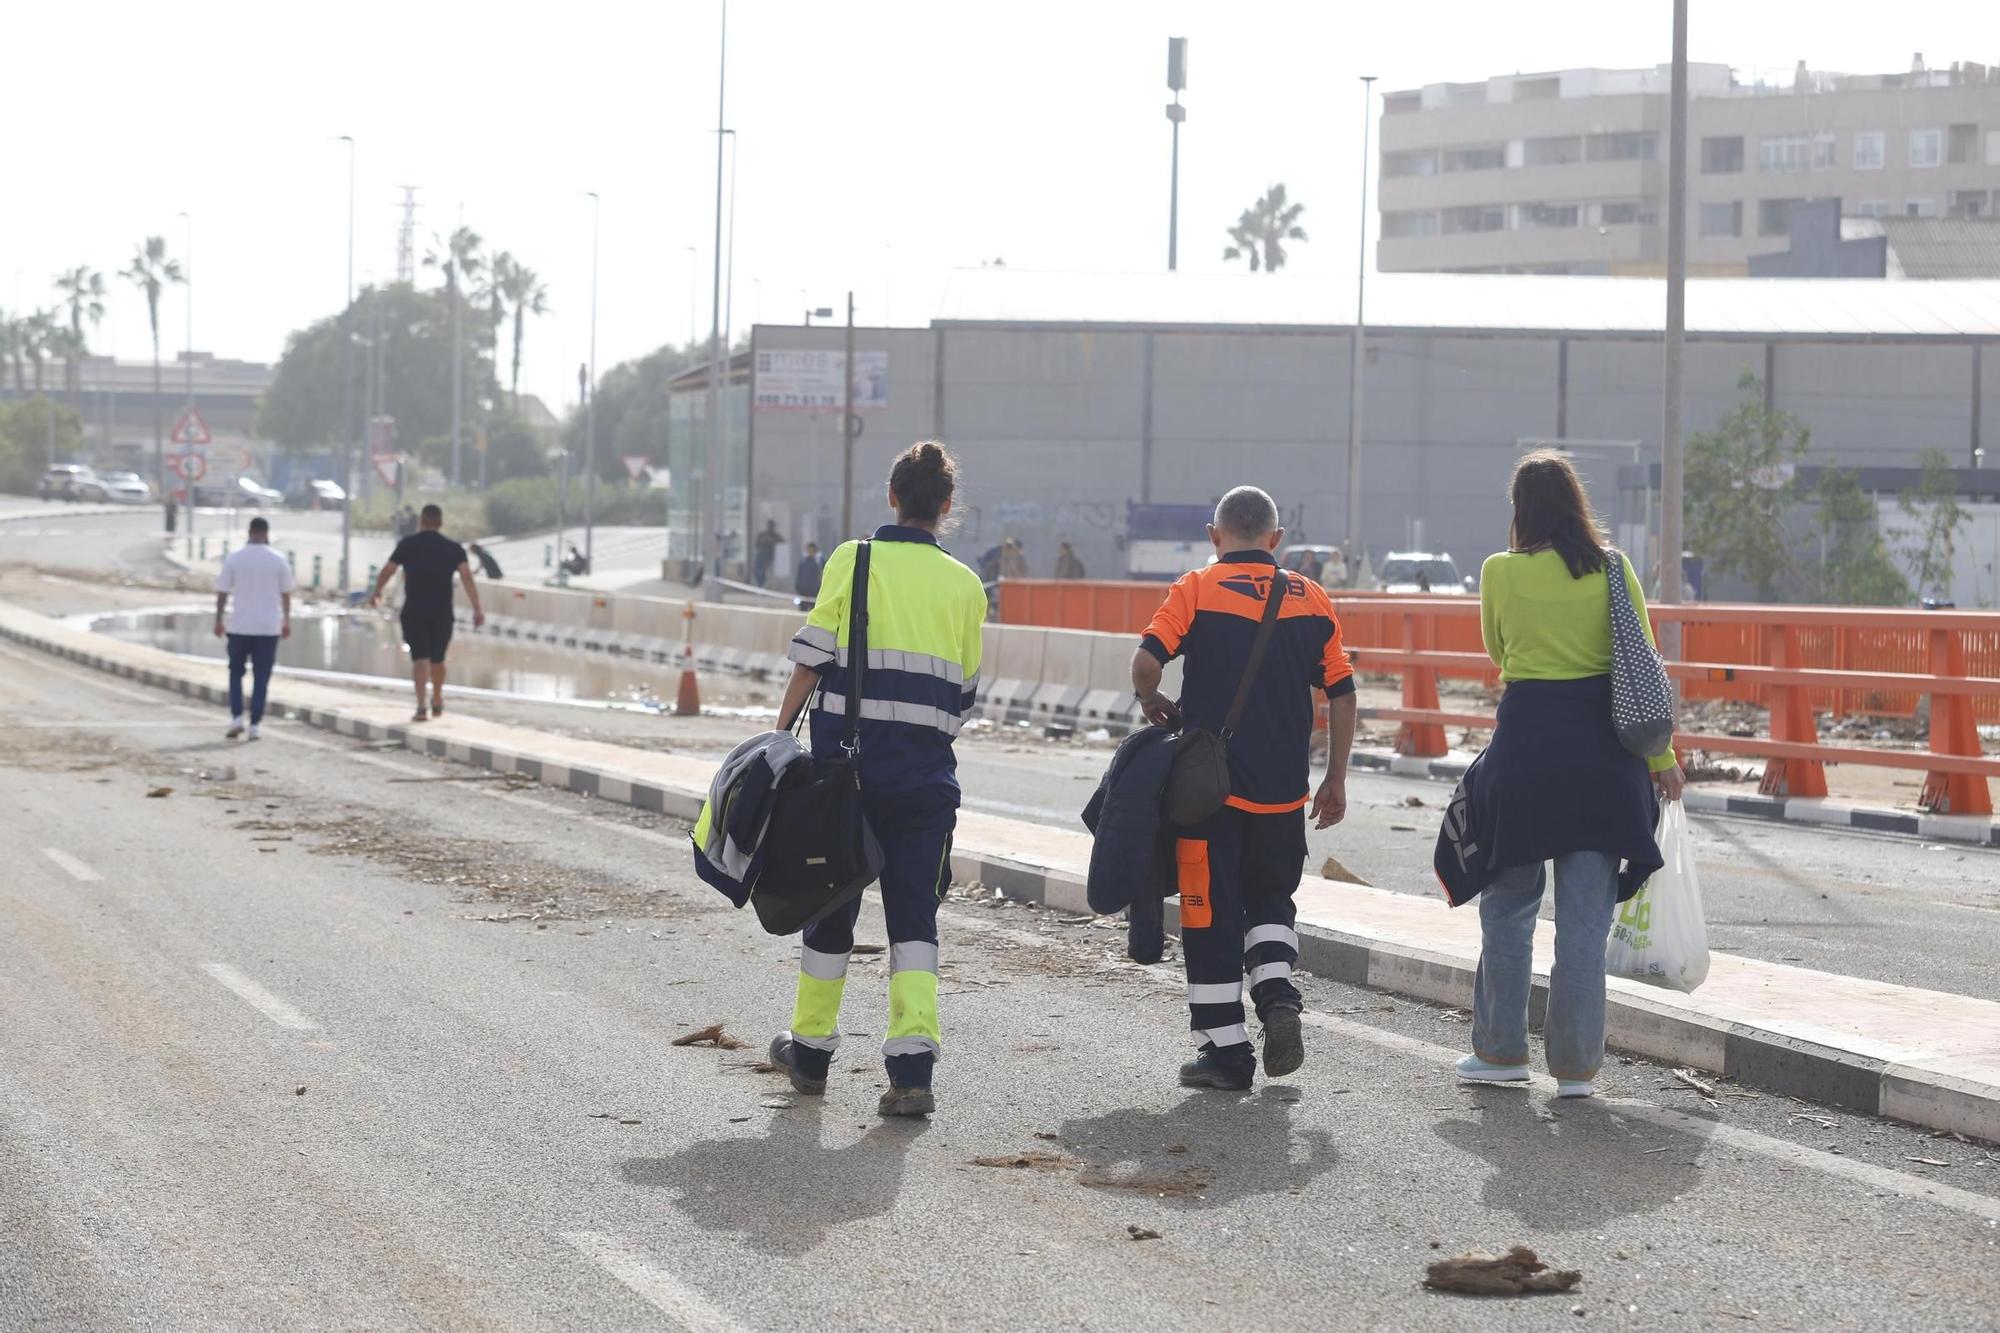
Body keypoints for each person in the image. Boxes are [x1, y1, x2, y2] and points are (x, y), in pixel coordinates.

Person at [1449, 450, 1684, 1099]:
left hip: (1526, 757)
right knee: (1583, 926)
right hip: (1605, 764)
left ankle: (1501, 1052)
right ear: (1576, 503)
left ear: (1521, 510)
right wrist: (1662, 759)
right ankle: (1576, 1070)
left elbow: (1498, 651)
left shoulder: (1499, 571)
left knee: (1508, 909)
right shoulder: (1613, 568)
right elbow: (1641, 664)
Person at [767, 441, 988, 1118]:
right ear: (946, 507)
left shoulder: (853, 559)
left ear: (892, 496)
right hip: (925, 784)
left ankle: (810, 1054)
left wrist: (779, 737)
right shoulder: (967, 586)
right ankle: (912, 1071)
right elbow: (963, 697)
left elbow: (811, 661)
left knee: (829, 910)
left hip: (846, 780)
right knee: (914, 923)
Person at [1131, 486, 1357, 1092]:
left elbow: (1146, 664)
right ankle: (1277, 992)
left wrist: (1151, 700)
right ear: (1276, 539)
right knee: (1271, 899)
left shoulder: (1196, 588)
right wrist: (1334, 778)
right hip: (1284, 793)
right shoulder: (1311, 596)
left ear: (1215, 535)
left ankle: (1226, 1054)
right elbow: (1342, 693)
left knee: (1208, 914)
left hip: (1209, 793)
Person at [369, 503, 485, 721]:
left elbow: (388, 570)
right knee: (438, 659)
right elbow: (467, 577)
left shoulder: (408, 545)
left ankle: (422, 706)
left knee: (420, 658)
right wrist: (477, 608)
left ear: (421, 521)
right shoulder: (453, 548)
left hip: (414, 611)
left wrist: (376, 592)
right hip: (442, 612)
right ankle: (438, 698)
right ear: (440, 523)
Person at [213, 516, 295, 741]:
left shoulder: (234, 558)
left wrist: (218, 620)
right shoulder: (278, 560)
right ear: (266, 533)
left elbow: (222, 593)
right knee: (261, 678)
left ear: (249, 532)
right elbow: (286, 594)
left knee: (235, 673)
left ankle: (236, 718)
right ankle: (255, 724)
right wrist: (286, 621)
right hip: (268, 628)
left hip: (239, 626)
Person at [753, 519, 784, 588]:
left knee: (767, 573)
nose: (770, 527)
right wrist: (764, 542)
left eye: (772, 525)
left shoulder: (776, 536)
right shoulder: (762, 535)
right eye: (769, 525)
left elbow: (782, 544)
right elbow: (756, 544)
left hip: (770, 557)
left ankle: (765, 585)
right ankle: (760, 584)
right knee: (758, 572)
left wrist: (772, 542)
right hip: (761, 556)